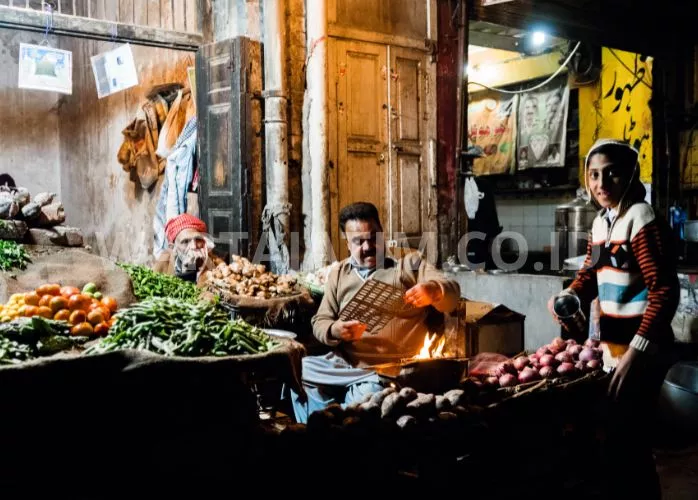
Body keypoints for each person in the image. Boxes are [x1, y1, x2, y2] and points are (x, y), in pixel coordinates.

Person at [548, 139, 679, 499]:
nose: (601, 183)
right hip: (615, 349)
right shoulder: (601, 223)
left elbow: (664, 290)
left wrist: (636, 353)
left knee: (630, 445)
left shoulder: (640, 217)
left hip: (643, 352)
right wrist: (570, 295)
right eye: (594, 175)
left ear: (629, 175)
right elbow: (590, 274)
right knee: (614, 443)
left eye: (611, 173)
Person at [290, 202, 460, 423]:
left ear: (382, 232)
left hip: (388, 368)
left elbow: (453, 291)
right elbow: (320, 321)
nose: (368, 246)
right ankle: (326, 423)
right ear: (347, 242)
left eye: (373, 238)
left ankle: (336, 419)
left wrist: (434, 290)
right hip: (346, 364)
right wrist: (335, 330)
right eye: (358, 242)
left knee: (367, 396)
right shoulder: (339, 273)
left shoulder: (408, 264)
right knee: (295, 371)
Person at [153, 213, 222, 283]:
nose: (193, 246)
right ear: (173, 247)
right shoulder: (164, 262)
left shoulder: (215, 264)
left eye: (197, 239)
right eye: (185, 241)